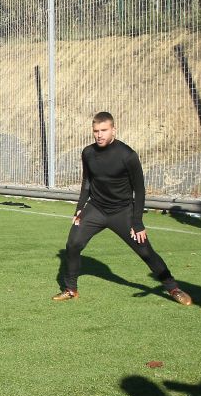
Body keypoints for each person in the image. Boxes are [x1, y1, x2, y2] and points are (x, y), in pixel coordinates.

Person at [53, 112, 192, 306]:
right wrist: (79, 209)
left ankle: (173, 288)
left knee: (146, 252)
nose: (99, 135)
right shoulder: (88, 153)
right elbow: (87, 182)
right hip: (96, 209)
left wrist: (137, 222)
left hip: (122, 212)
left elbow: (140, 190)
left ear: (113, 130)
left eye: (104, 130)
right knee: (72, 244)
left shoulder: (128, 155)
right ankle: (70, 289)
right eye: (96, 131)